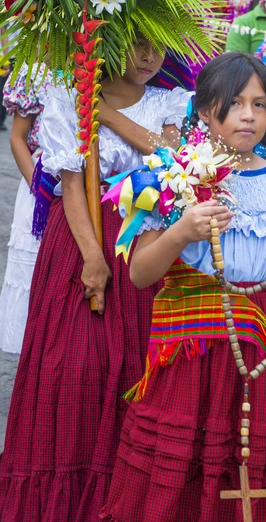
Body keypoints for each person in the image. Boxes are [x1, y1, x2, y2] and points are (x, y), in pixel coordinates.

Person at [101, 52, 266, 522]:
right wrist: (182, 231)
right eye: (236, 102)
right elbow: (141, 273)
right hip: (195, 359)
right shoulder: (174, 176)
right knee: (187, 467)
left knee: (258, 469)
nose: (249, 115)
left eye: (260, 104)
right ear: (205, 111)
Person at [0, 38, 191, 521]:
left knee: (131, 367)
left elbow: (167, 160)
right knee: (72, 365)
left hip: (143, 243)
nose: (149, 58)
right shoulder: (69, 95)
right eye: (138, 46)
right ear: (109, 44)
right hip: (79, 242)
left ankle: (122, 497)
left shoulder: (168, 101)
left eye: (158, 49)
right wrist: (92, 259)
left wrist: (104, 114)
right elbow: (69, 183)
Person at [0, 64, 53, 354]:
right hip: (40, 183)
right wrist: (39, 188)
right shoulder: (37, 72)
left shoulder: (107, 71)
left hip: (87, 184)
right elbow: (17, 137)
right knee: (35, 276)